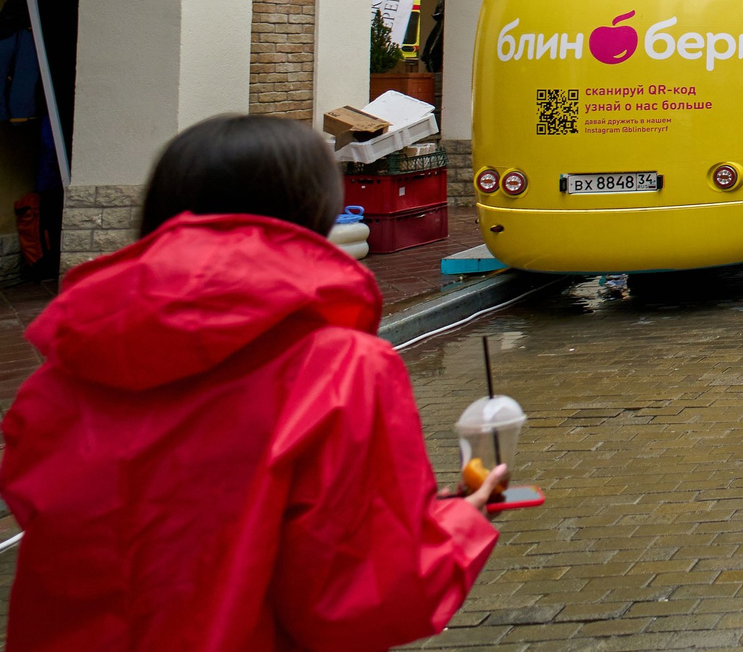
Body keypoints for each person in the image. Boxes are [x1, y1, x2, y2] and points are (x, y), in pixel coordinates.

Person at [0, 114, 506, 650]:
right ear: (314, 212)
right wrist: (458, 525)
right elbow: (362, 598)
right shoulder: (342, 368)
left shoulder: (69, 368)